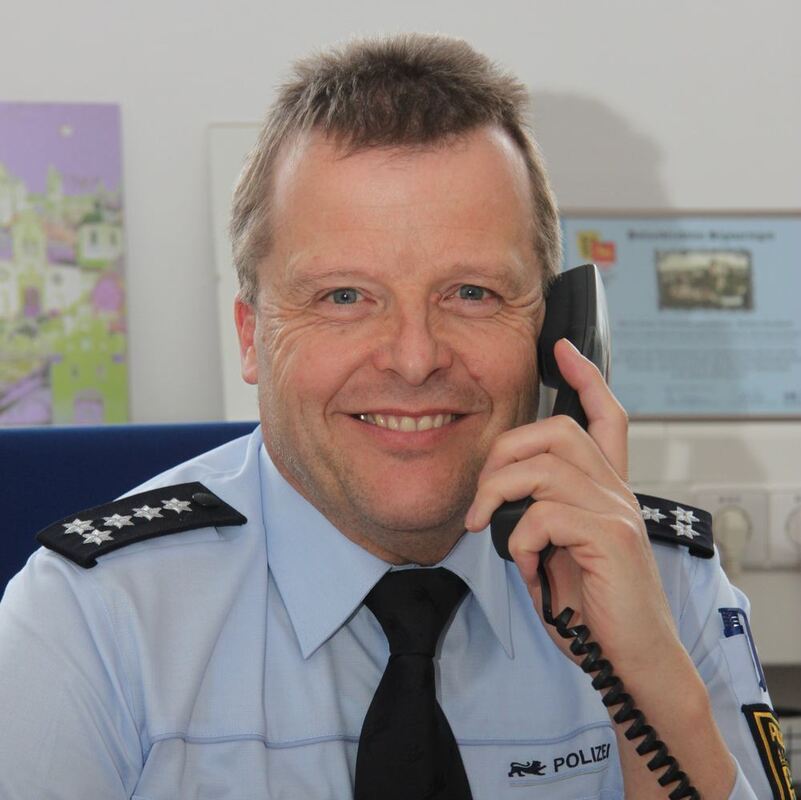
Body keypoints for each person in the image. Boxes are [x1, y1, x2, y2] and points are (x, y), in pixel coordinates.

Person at [0, 34, 790, 800]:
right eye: (344, 296)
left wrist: (642, 673)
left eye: (471, 293)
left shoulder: (664, 584)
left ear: (558, 333)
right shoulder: (94, 618)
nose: (414, 360)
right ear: (251, 336)